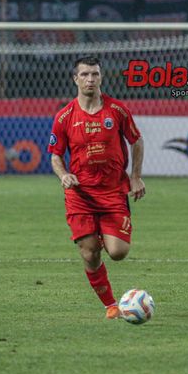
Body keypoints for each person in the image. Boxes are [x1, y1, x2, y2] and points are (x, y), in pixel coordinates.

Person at [47, 56, 146, 320]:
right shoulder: (64, 116)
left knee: (118, 253)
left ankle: (102, 233)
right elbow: (55, 155)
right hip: (80, 195)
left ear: (101, 77)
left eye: (95, 74)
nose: (90, 79)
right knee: (89, 253)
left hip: (113, 191)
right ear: (75, 79)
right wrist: (64, 174)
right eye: (85, 75)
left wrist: (135, 176)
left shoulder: (117, 111)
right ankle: (111, 305)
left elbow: (136, 141)